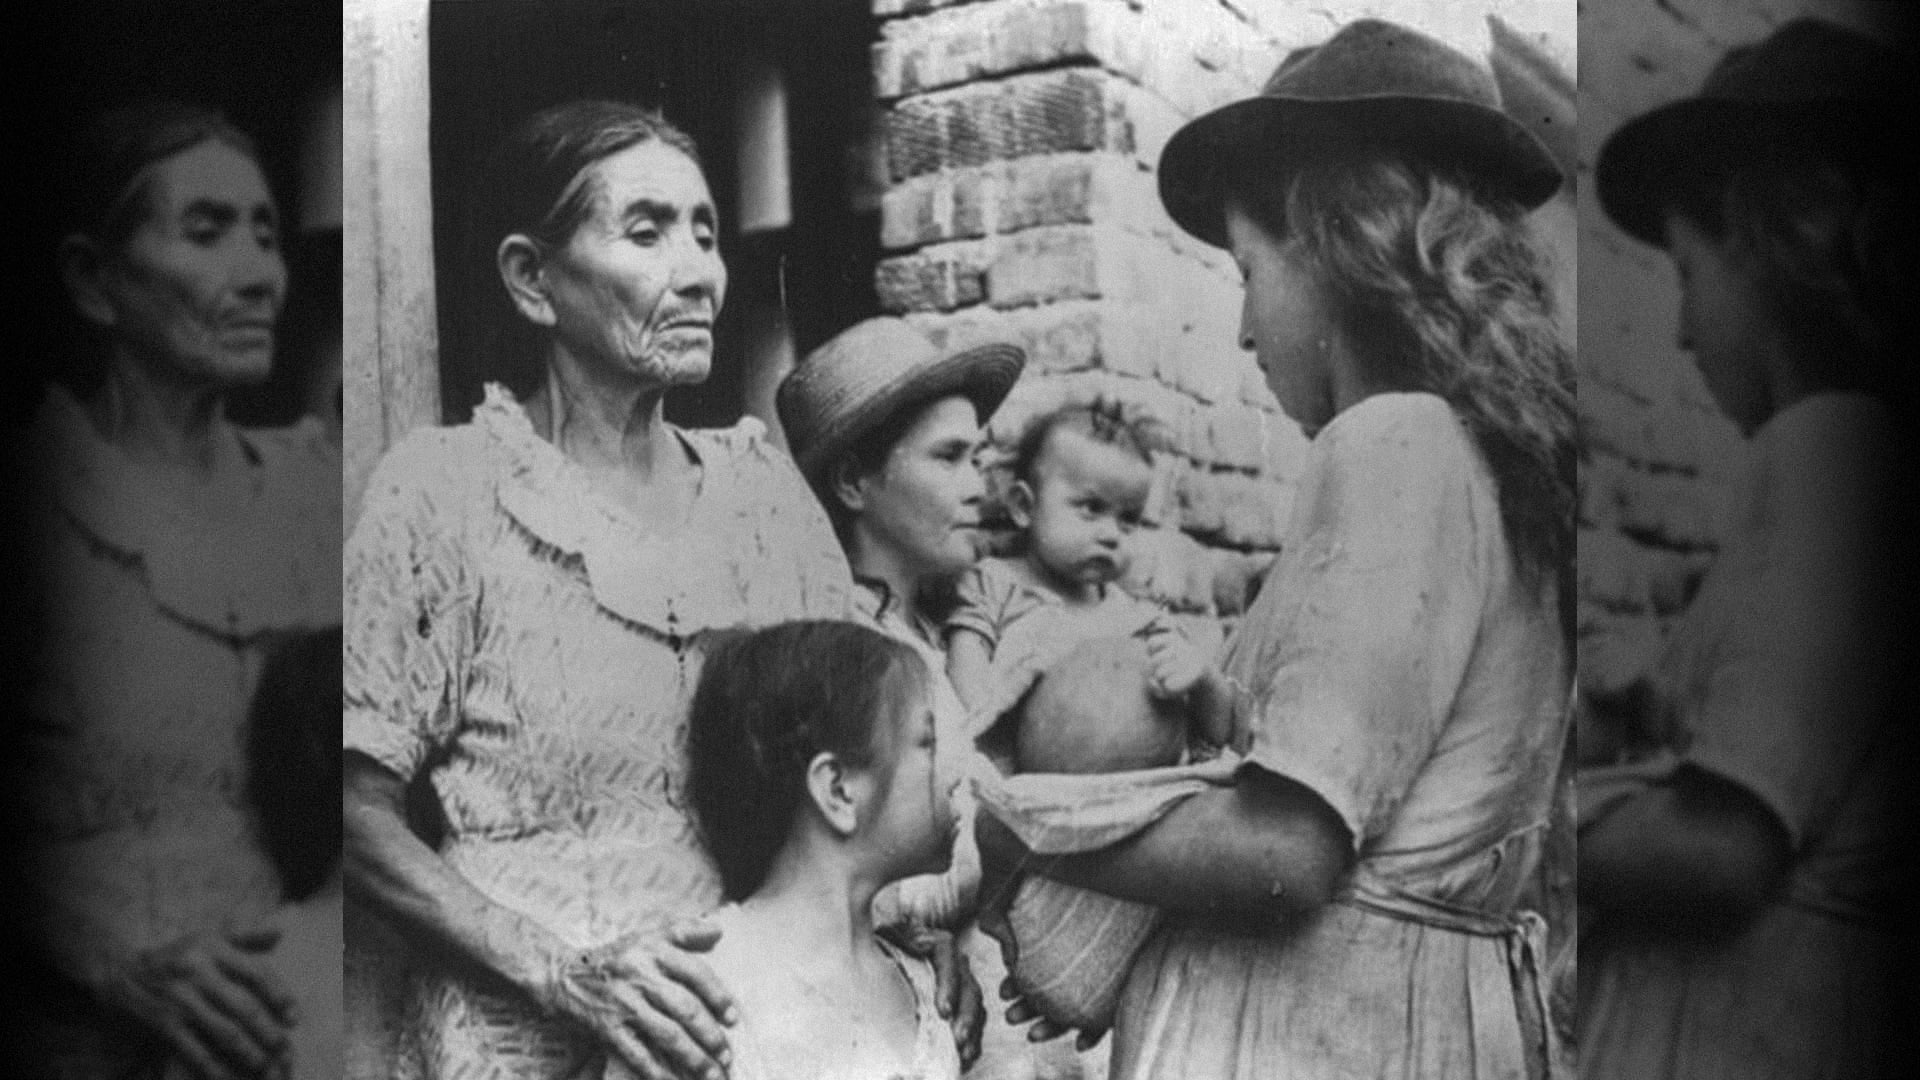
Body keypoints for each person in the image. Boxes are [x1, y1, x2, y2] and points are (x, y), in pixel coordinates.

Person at [974, 19, 1576, 1079]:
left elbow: (1287, 851)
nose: (1245, 334)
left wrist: (1009, 826)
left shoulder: (1393, 441)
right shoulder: (1486, 465)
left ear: (1324, 240)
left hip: (1313, 1032)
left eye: (1248, 273)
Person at [341, 100, 853, 1080]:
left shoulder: (762, 499)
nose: (700, 271)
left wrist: (904, 939)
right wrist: (564, 972)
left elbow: (866, 760)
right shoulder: (445, 495)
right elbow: (355, 812)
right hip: (518, 1042)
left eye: (706, 232)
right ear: (533, 281)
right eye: (648, 231)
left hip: (759, 1041)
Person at [1578, 19, 1913, 1078]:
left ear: (1772, 251)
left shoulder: (1826, 452)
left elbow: (1722, 853)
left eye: (1687, 273)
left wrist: (1523, 820)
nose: (1679, 332)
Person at [7, 100, 341, 1080]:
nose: (259, 277)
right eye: (207, 233)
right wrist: (111, 952)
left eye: (268, 236)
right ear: (94, 280)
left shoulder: (323, 495)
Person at [608, 620, 961, 1080]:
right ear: (838, 790)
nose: (954, 776)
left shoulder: (925, 984)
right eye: (927, 744)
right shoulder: (694, 996)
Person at [945, 401, 1232, 761]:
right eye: (1091, 508)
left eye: (1128, 519)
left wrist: (1201, 677)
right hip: (1023, 781)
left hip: (1133, 786)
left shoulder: (1137, 619)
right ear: (1023, 506)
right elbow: (965, 698)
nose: (1111, 534)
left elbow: (1217, 735)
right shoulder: (995, 585)